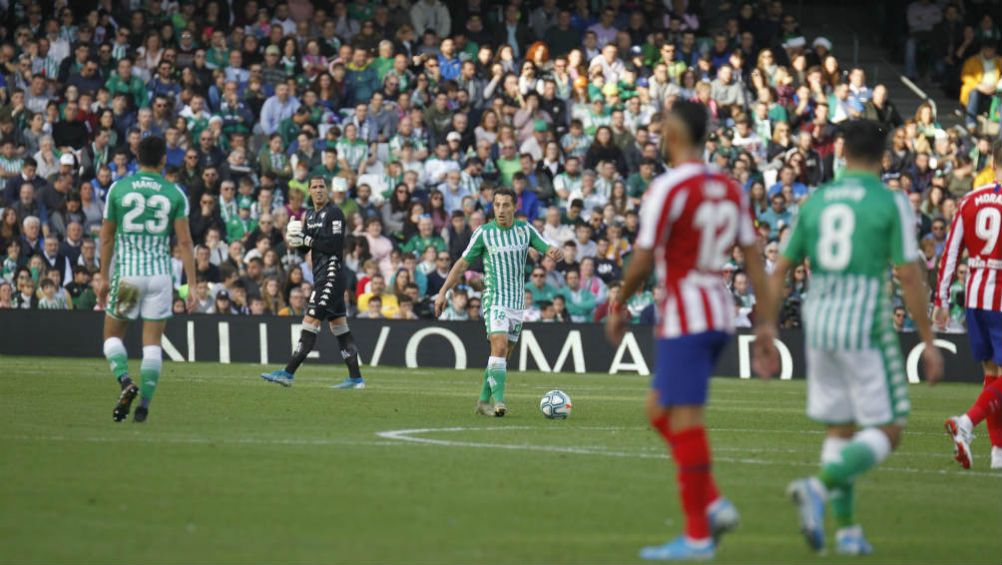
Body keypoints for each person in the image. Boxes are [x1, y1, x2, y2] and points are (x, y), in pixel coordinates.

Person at [756, 119, 943, 555]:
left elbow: (781, 269)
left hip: (819, 324)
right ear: (883, 157)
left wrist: (766, 326)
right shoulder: (891, 202)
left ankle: (847, 532)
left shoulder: (816, 201)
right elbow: (908, 274)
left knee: (840, 430)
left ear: (841, 154)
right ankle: (819, 488)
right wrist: (928, 339)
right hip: (865, 326)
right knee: (891, 428)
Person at [604, 101, 769, 561]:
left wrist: (619, 302)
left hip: (685, 316)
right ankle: (713, 502)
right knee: (658, 408)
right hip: (718, 311)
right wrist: (767, 322)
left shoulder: (668, 188)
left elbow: (642, 255)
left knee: (684, 419)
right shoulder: (730, 188)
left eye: (662, 129)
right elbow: (753, 257)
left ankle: (697, 536)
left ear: (673, 134)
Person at [434, 187, 561, 417]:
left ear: (515, 207)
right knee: (499, 346)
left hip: (516, 302)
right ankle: (499, 401)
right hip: (495, 299)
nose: (501, 210)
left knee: (502, 354)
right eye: (497, 205)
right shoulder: (484, 233)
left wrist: (552, 251)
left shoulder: (525, 230)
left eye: (506, 205)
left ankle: (483, 401)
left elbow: (544, 245)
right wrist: (443, 292)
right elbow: (462, 264)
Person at [96, 136, 196, 423]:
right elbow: (186, 243)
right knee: (152, 342)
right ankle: (144, 407)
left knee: (112, 336)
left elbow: (106, 237)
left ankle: (126, 381)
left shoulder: (119, 188)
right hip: (160, 278)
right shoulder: (174, 193)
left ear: (136, 157)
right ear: (164, 159)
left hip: (128, 276)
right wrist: (191, 286)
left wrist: (103, 277)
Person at [260, 176, 365, 390]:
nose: (318, 190)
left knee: (310, 321)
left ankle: (288, 372)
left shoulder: (334, 212)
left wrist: (306, 239)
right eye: (314, 187)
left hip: (332, 274)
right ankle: (356, 379)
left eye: (321, 187)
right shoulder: (309, 215)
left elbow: (334, 244)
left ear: (327, 190)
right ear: (308, 191)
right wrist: (296, 240)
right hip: (320, 275)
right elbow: (306, 250)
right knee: (339, 327)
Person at [937, 139, 1002, 470]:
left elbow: (949, 255)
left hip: (976, 296)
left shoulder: (969, 201)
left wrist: (941, 299)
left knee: (992, 376)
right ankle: (966, 422)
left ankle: (997, 454)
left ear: (992, 161)